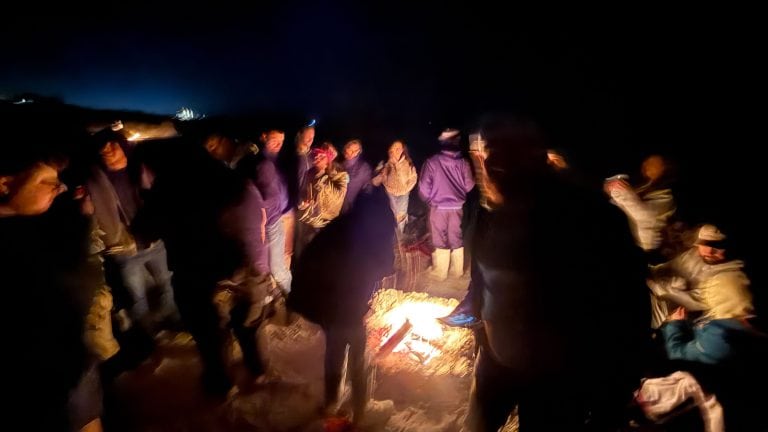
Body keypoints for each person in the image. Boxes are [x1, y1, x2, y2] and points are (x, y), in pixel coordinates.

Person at [464, 116, 648, 431]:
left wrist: (615, 389)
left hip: (556, 373)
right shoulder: (496, 210)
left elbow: (629, 304)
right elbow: (488, 278)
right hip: (497, 361)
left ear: (533, 155)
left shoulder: (588, 214)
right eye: (487, 151)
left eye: (502, 151)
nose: (490, 161)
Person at [1, 115, 102, 431]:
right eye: (47, 182)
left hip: (72, 362)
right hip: (35, 388)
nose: (59, 188)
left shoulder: (38, 220)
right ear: (4, 183)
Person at [288, 186, 396, 427]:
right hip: (343, 303)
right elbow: (384, 266)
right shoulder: (374, 233)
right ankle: (361, 410)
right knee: (358, 353)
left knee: (335, 349)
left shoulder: (340, 226)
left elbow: (312, 260)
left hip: (323, 302)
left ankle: (331, 402)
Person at [418, 129, 475, 280]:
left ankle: (440, 272)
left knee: (438, 237)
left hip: (438, 207)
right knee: (456, 236)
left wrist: (428, 199)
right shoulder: (463, 162)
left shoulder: (432, 162)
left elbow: (424, 187)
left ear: (442, 143)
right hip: (457, 208)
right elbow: (469, 185)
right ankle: (457, 271)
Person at [372, 140, 418, 233]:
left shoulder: (407, 163)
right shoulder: (386, 164)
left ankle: (400, 235)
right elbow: (375, 182)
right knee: (392, 215)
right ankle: (392, 236)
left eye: (398, 149)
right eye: (393, 149)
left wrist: (396, 164)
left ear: (402, 150)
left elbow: (404, 180)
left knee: (400, 216)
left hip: (403, 193)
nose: (395, 151)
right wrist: (380, 173)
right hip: (390, 192)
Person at [340, 139, 373, 214]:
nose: (352, 153)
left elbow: (368, 189)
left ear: (359, 152)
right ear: (345, 149)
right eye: (350, 149)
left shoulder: (364, 167)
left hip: (348, 207)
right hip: (334, 202)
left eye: (356, 150)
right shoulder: (340, 165)